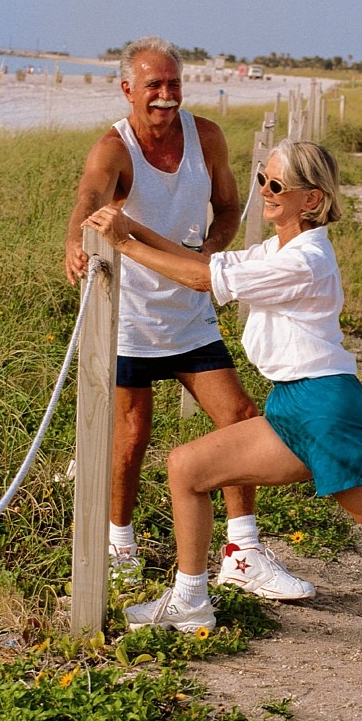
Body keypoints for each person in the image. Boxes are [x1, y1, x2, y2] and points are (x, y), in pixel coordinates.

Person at [84, 139, 362, 697]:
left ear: (311, 198)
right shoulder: (280, 248)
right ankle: (191, 599)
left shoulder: (307, 258)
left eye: (276, 186)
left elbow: (202, 284)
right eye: (262, 181)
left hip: (327, 411)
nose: (265, 193)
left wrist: (121, 244)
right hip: (292, 406)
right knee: (188, 468)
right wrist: (130, 227)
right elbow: (205, 264)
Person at [65, 36, 314, 601]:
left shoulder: (207, 137)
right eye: (153, 85)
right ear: (128, 89)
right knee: (130, 436)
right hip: (130, 317)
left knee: (240, 416)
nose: (166, 96)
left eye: (173, 83)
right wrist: (73, 242)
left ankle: (243, 551)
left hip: (191, 314)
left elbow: (227, 207)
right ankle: (119, 544)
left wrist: (209, 255)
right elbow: (89, 197)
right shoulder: (114, 147)